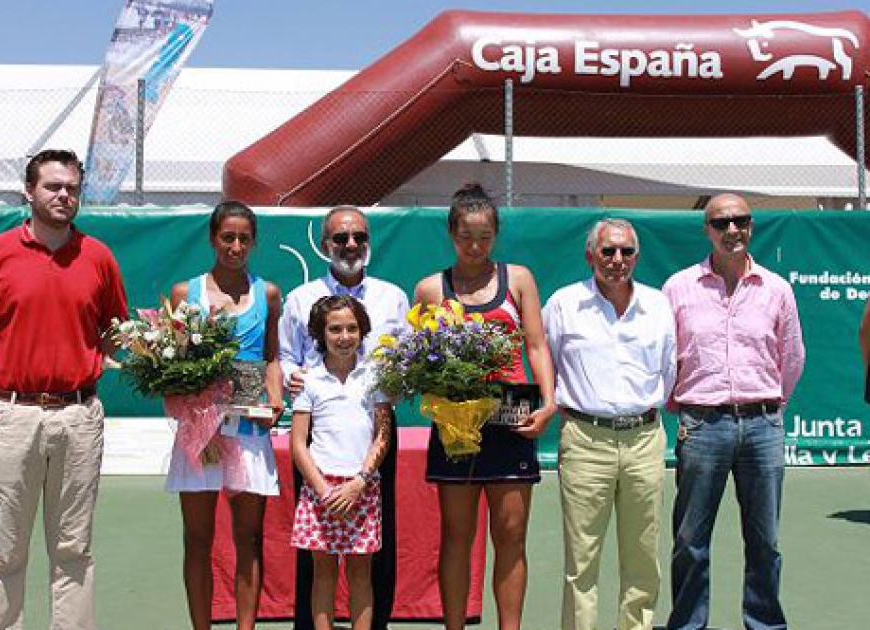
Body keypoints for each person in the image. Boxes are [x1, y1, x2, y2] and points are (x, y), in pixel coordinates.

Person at [0, 149, 128, 630]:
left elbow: (115, 331)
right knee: (6, 550)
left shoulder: (99, 257)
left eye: (72, 187)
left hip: (79, 417)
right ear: (29, 192)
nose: (64, 195)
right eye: (52, 186)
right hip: (10, 419)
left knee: (74, 548)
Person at [413, 183, 556, 630]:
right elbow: (419, 361)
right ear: (451, 234)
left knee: (511, 536)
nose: (476, 246)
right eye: (466, 237)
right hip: (456, 429)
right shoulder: (430, 289)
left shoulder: (519, 279)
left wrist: (548, 402)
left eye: (485, 236)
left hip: (511, 422)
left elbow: (535, 345)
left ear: (495, 234)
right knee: (457, 537)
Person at [663, 193, 805, 630]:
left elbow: (792, 356)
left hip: (763, 426)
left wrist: (768, 404)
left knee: (765, 542)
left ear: (751, 226)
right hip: (702, 425)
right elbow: (667, 356)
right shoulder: (679, 287)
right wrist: (685, 409)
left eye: (740, 221)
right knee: (690, 541)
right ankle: (688, 625)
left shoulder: (777, 289)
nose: (732, 230)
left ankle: (764, 624)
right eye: (721, 223)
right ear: (706, 229)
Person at [279, 206, 409, 630]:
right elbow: (284, 359)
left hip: (372, 437)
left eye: (358, 237)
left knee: (368, 559)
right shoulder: (300, 299)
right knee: (318, 565)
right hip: (318, 434)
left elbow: (406, 360)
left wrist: (362, 478)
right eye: (340, 238)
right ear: (324, 244)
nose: (350, 245)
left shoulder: (393, 296)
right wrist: (292, 377)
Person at [542, 218, 676, 630]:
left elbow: (669, 371)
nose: (617, 260)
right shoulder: (563, 304)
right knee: (581, 560)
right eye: (608, 251)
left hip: (644, 440)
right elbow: (544, 361)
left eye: (626, 252)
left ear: (636, 256)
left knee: (643, 555)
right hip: (584, 440)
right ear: (590, 256)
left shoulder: (658, 305)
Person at [165, 201, 284, 630]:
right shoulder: (185, 293)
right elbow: (173, 362)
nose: (236, 246)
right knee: (198, 540)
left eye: (244, 238)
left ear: (254, 242)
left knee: (248, 540)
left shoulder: (267, 293)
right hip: (200, 434)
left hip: (249, 430)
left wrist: (275, 399)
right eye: (227, 237)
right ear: (213, 238)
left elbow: (271, 357)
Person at [290, 295, 392, 630]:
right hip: (320, 492)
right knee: (323, 573)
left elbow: (383, 434)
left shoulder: (375, 376)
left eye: (352, 328)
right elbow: (298, 443)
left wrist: (359, 482)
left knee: (362, 574)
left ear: (362, 332)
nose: (344, 336)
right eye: (335, 329)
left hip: (362, 488)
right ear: (321, 334)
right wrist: (323, 489)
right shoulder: (309, 380)